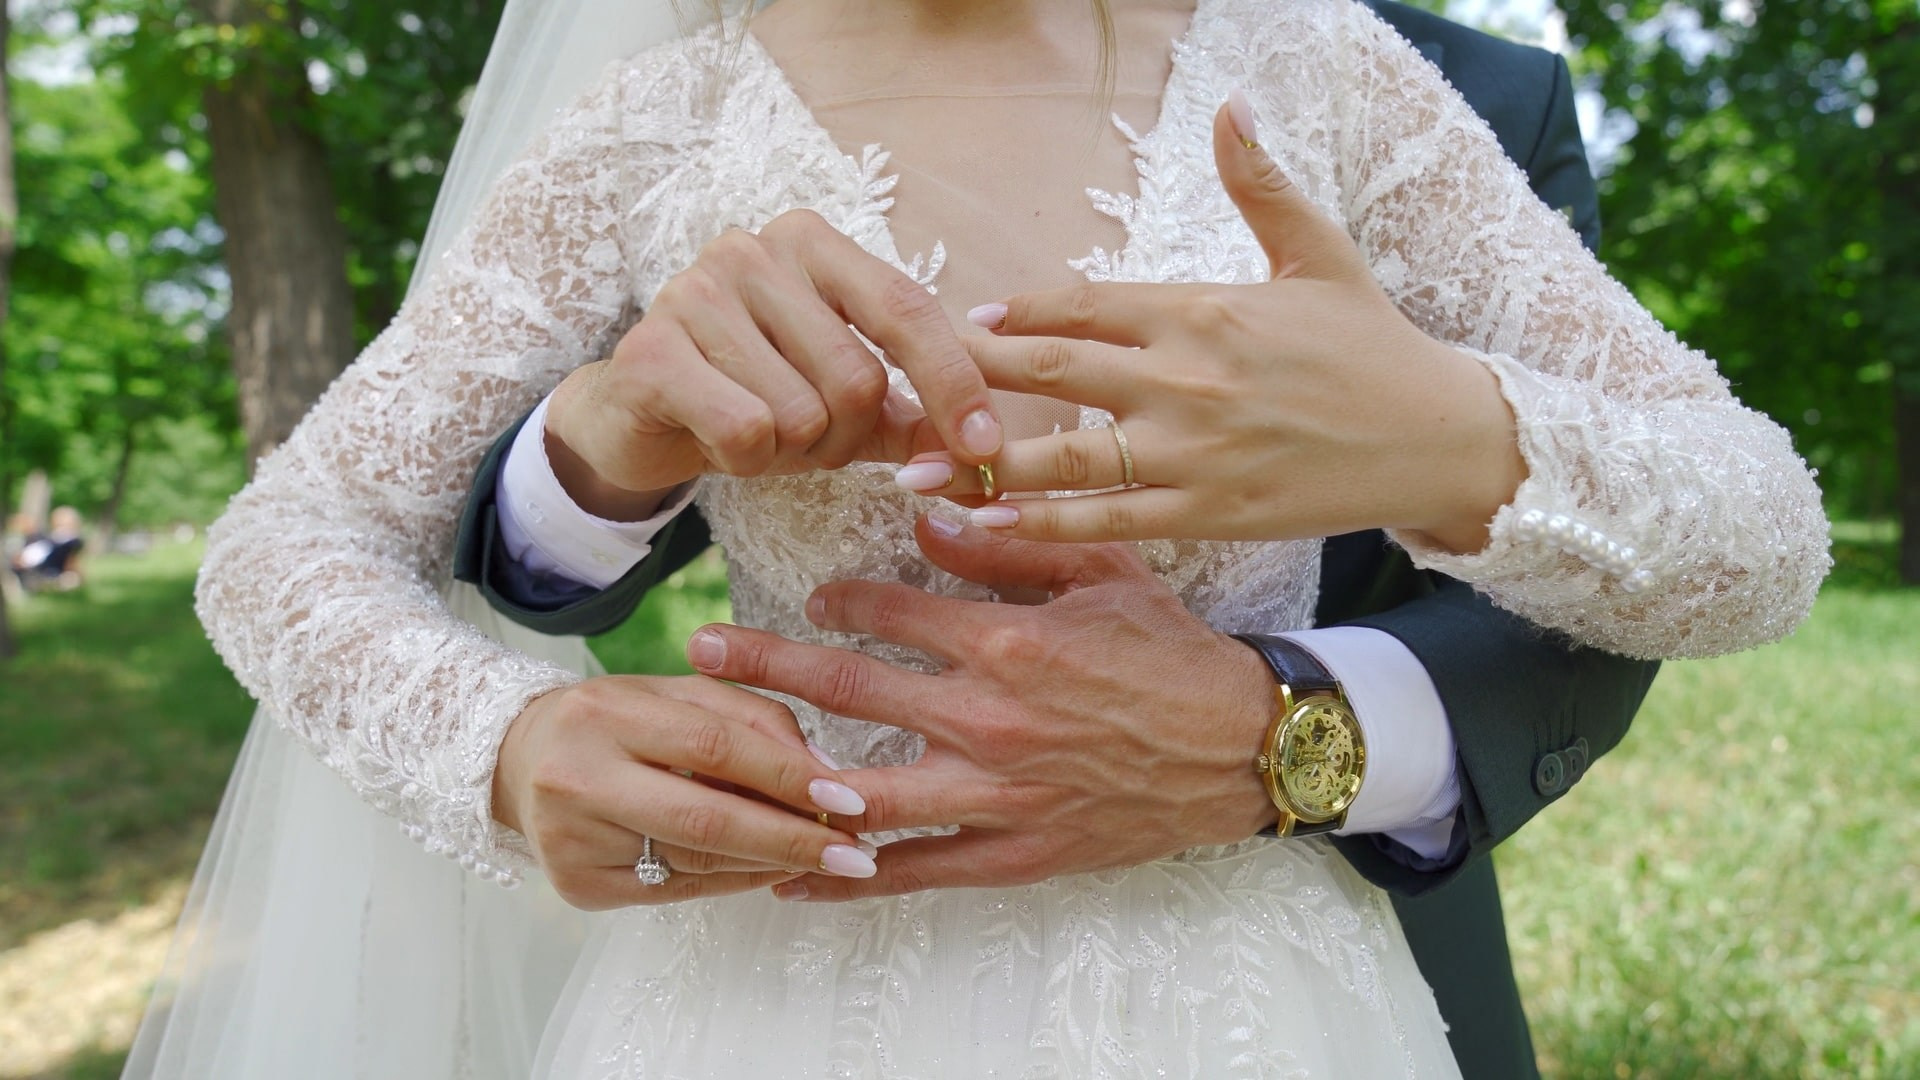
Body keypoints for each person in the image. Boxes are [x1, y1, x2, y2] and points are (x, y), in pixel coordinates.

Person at [135, 0, 1828, 1076]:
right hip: (760, 1000)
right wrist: (510, 745)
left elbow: (1762, 526)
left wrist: (1452, 436)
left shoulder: (1320, 73)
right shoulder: (660, 116)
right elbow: (281, 544)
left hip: (1237, 1002)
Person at [9, 507, 86, 593]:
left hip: (46, 572)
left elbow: (71, 563)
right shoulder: (53, 539)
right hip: (38, 570)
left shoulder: (69, 541)